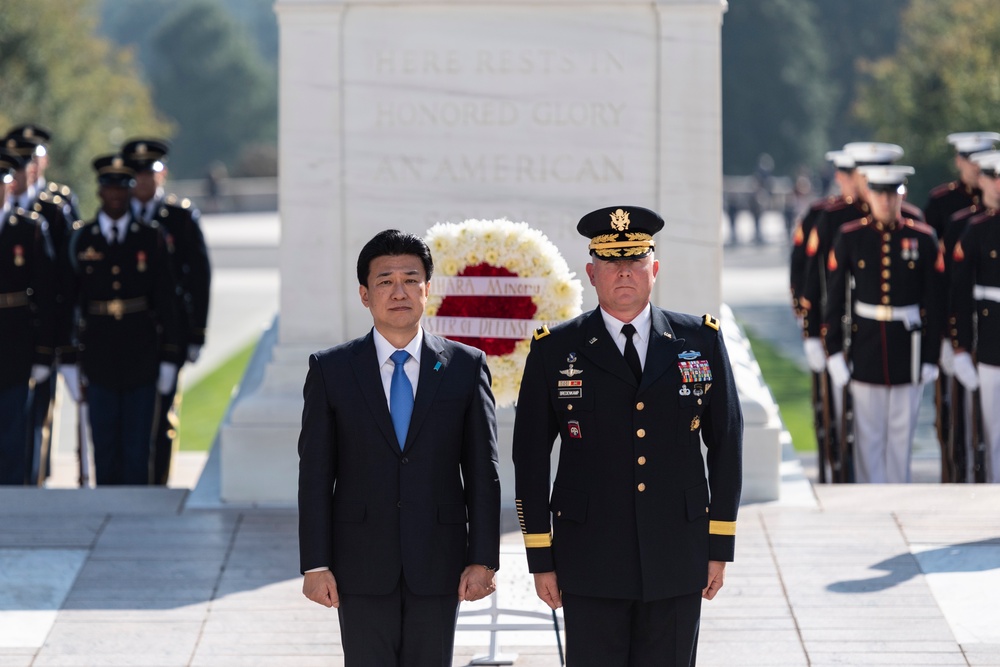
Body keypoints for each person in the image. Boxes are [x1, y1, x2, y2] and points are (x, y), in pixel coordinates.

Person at [511, 206, 743, 666]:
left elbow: (727, 448)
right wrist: (541, 556)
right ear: (592, 273)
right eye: (611, 262)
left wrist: (719, 547)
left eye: (635, 260)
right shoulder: (555, 350)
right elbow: (530, 459)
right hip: (589, 559)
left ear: (654, 269)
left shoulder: (700, 341)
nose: (624, 273)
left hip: (677, 554)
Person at [297, 229, 501, 667]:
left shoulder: (465, 367)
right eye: (385, 280)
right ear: (364, 295)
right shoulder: (331, 370)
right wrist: (315, 565)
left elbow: (484, 471)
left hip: (439, 561)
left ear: (428, 290)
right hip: (360, 562)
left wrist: (483, 558)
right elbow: (314, 475)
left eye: (411, 279)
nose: (399, 291)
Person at [59, 155, 181, 485]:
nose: (115, 196)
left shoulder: (150, 237)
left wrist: (171, 355)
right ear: (99, 193)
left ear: (129, 193)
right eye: (109, 189)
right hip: (98, 355)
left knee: (137, 446)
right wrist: (68, 359)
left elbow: (166, 299)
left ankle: (134, 517)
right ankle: (107, 507)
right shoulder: (82, 239)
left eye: (121, 189)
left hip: (141, 353)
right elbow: (68, 301)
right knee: (106, 445)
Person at [823, 165, 945, 483]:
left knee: (901, 434)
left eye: (892, 194)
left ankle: (899, 492)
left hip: (908, 347)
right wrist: (833, 349)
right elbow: (835, 298)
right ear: (870, 195)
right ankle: (871, 497)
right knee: (868, 433)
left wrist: (932, 356)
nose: (886, 201)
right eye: (879, 194)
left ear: (901, 195)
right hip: (866, 344)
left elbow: (936, 302)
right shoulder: (852, 236)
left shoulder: (922, 237)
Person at [122, 138, 211, 485]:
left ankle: (157, 483)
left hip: (168, 335)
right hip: (128, 335)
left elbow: (198, 278)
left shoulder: (179, 217)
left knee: (162, 418)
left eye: (151, 173)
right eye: (137, 174)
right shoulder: (119, 213)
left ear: (163, 175)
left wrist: (196, 334)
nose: (144, 181)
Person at [4, 127, 76, 483]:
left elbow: (60, 279)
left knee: (33, 419)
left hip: (27, 332)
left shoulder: (51, 209)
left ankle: (35, 478)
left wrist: (56, 343)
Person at [0, 149, 56, 484]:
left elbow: (48, 295)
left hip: (16, 344)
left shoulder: (28, 229)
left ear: (9, 186)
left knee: (14, 430)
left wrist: (43, 352)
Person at [949, 152, 1000, 483]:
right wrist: (961, 348)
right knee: (994, 433)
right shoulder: (976, 229)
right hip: (992, 341)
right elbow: (960, 294)